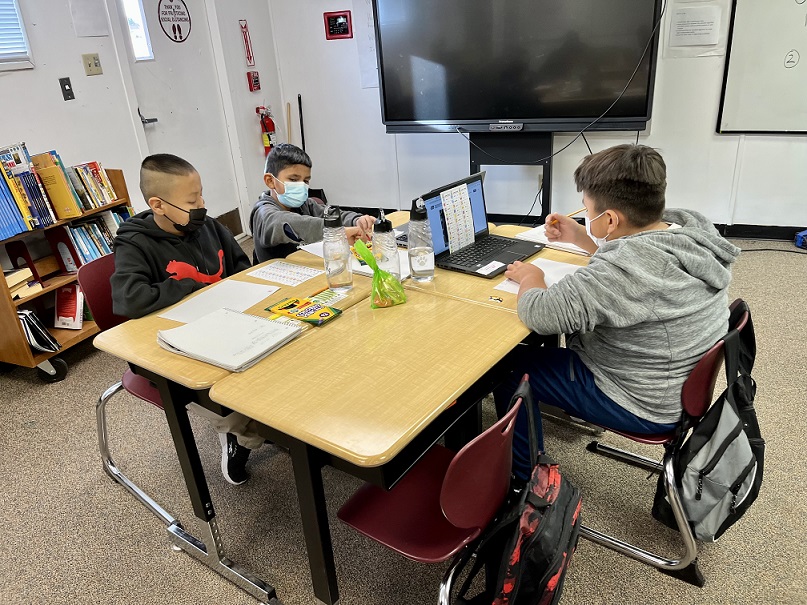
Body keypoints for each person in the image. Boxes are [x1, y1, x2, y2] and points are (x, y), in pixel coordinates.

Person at [493, 144, 741, 481]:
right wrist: (582, 235)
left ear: (609, 220)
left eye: (586, 209)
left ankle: (524, 481)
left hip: (642, 401)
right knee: (535, 355)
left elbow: (541, 313)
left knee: (509, 369)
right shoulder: (686, 231)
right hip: (673, 383)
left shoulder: (625, 268)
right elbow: (638, 270)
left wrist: (530, 277)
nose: (584, 213)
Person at [110, 153, 260, 485]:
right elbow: (129, 298)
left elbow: (241, 268)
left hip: (227, 324)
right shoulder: (135, 242)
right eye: (192, 200)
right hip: (176, 346)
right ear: (158, 205)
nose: (202, 205)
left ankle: (257, 420)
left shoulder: (207, 226)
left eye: (201, 194)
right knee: (236, 380)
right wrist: (192, 287)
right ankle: (237, 430)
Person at [250, 143, 376, 262]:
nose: (301, 186)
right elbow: (288, 222)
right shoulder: (263, 213)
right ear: (270, 181)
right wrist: (336, 232)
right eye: (293, 180)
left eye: (305, 181)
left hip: (306, 268)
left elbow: (333, 215)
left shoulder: (305, 204)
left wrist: (357, 220)